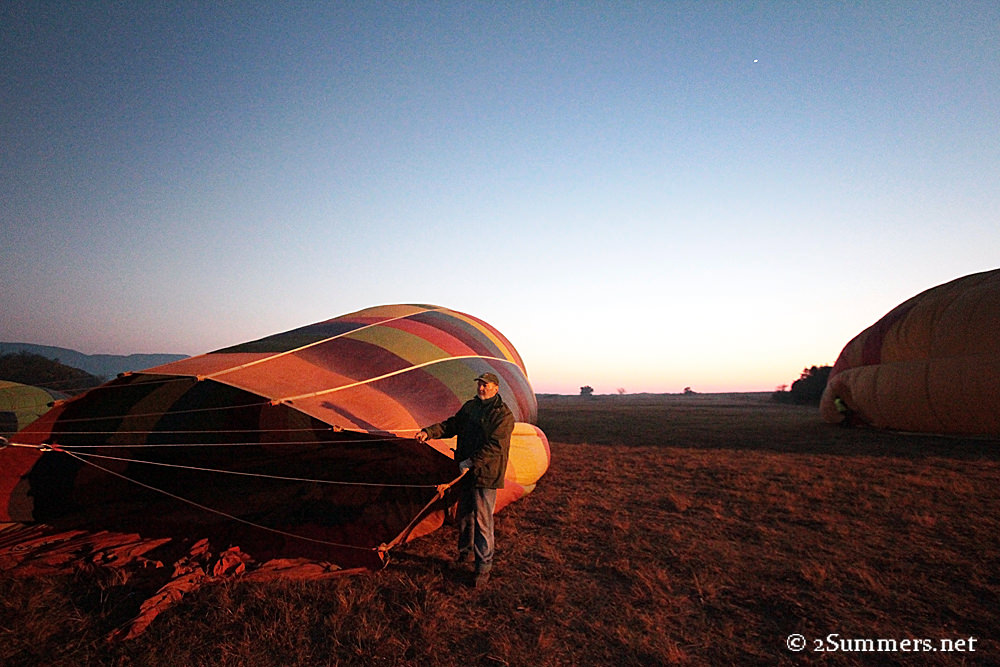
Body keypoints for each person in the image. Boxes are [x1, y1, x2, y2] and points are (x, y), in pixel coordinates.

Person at [415, 372, 514, 587]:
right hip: (465, 471)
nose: (481, 388)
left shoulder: (503, 415)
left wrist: (470, 462)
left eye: (485, 385)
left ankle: (483, 567)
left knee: (482, 520)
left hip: (485, 474)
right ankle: (465, 554)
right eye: (479, 384)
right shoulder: (471, 407)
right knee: (464, 515)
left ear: (496, 388)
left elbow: (495, 447)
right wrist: (428, 432)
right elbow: (452, 425)